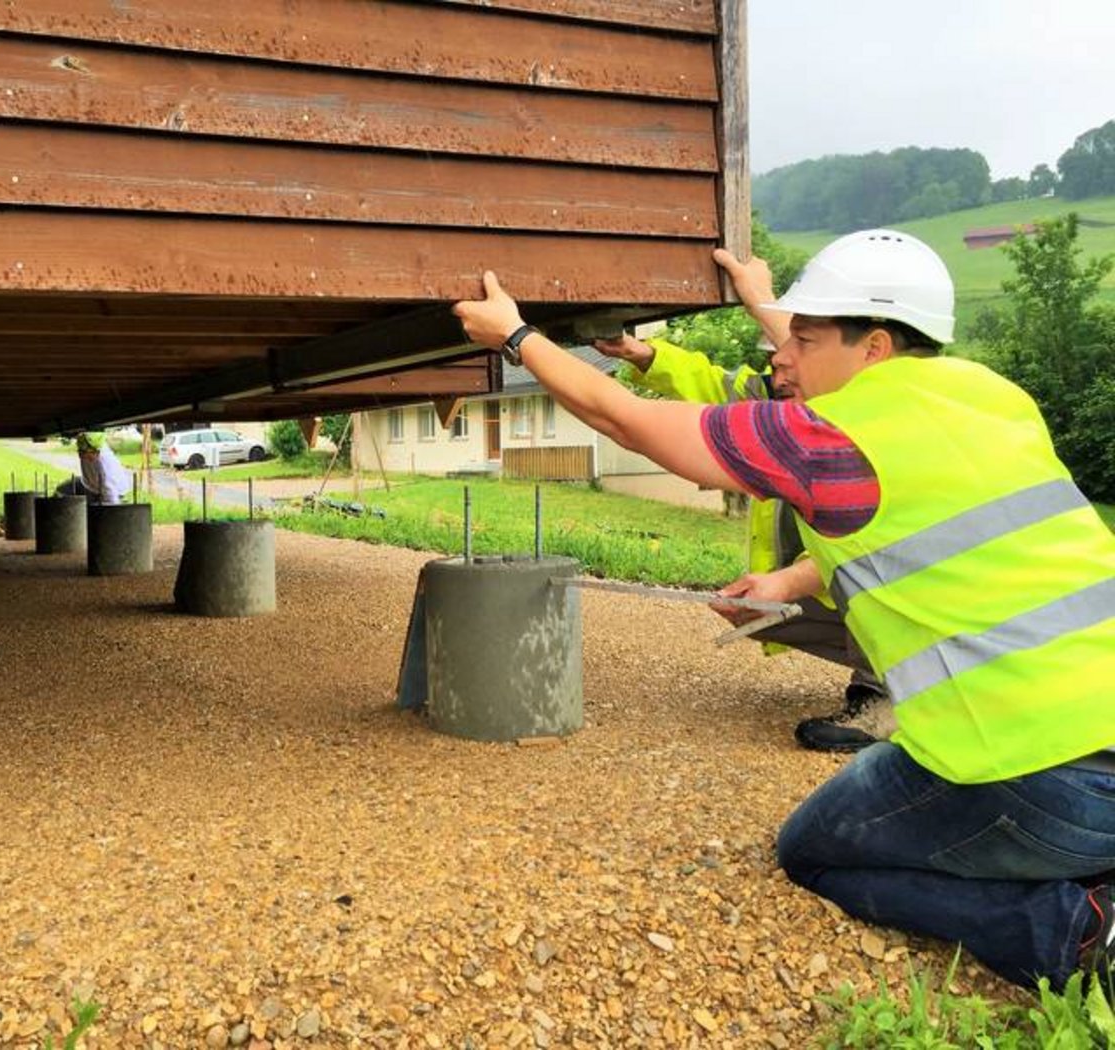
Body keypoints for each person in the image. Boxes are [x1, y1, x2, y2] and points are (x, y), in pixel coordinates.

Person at [454, 230, 1115, 990]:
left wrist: (515, 335)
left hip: (1041, 782)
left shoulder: (831, 436)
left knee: (812, 851)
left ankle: (1077, 933)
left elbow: (624, 419)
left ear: (874, 346)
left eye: (803, 339)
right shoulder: (995, 399)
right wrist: (791, 582)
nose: (782, 357)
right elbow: (920, 531)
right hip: (1093, 749)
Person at [594, 255, 891, 752]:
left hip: (904, 584)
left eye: (800, 346)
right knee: (761, 611)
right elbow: (717, 387)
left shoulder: (873, 422)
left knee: (862, 583)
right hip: (839, 571)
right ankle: (902, 677)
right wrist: (642, 354)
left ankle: (881, 701)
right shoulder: (781, 395)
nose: (781, 361)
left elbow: (874, 545)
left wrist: (759, 298)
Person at [58, 432, 133, 505]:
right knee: (62, 490)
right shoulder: (92, 444)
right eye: (80, 453)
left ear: (97, 452)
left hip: (113, 491)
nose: (81, 456)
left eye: (87, 455)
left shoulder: (105, 468)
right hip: (90, 485)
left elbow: (111, 500)